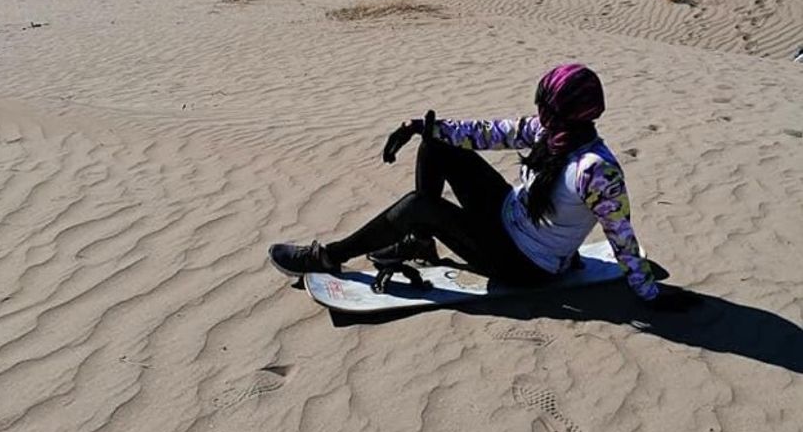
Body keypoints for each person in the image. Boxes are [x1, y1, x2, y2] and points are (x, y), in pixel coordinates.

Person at [269, 63, 690, 310]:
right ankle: (420, 244)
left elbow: (622, 235)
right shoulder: (547, 134)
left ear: (571, 115)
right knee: (439, 145)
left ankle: (328, 256)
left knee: (421, 205)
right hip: (508, 218)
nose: (538, 112)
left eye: (546, 107)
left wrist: (649, 293)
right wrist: (422, 128)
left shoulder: (596, 170)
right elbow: (486, 132)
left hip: (526, 264)